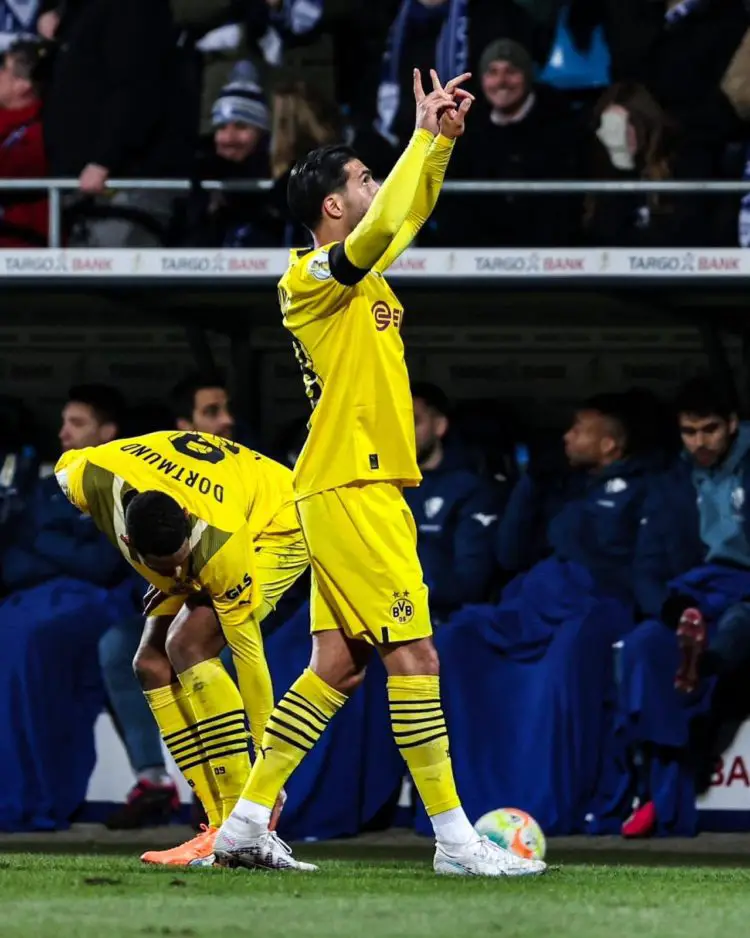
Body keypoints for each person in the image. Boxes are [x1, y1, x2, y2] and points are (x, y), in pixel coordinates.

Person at [214, 67, 545, 877]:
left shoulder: (362, 272)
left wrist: (439, 147)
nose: (374, 186)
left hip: (351, 485)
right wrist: (421, 136)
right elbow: (390, 217)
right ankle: (456, 843)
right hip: (351, 486)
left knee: (336, 666)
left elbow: (406, 212)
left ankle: (245, 824)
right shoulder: (309, 278)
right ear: (333, 206)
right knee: (417, 657)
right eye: (363, 178)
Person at [55, 430, 309, 866]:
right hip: (218, 503)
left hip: (281, 522)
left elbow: (249, 658)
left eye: (183, 562)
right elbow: (66, 465)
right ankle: (215, 827)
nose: (179, 575)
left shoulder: (219, 546)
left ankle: (238, 825)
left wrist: (268, 775)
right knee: (150, 664)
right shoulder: (83, 477)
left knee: (188, 643)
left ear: (186, 520)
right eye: (166, 569)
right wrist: (177, 577)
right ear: (129, 542)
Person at [101, 372, 236, 832]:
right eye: (212, 412)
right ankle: (154, 780)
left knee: (202, 654)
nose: (227, 421)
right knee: (121, 648)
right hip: (176, 597)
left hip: (241, 599)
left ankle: (222, 785)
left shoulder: (243, 468)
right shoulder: (153, 477)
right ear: (184, 427)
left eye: (226, 410)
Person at [405, 382, 501, 622]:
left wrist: (401, 591)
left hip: (438, 618)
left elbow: (470, 582)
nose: (402, 432)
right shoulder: (378, 486)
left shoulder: (470, 488)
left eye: (413, 422)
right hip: (380, 613)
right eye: (395, 423)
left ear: (439, 425)